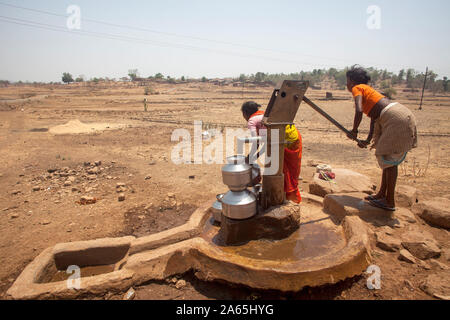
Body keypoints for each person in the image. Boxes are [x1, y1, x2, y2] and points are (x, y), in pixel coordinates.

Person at [346, 65, 418, 211]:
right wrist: (367, 140)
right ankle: (381, 194)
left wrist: (354, 130)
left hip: (394, 118)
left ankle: (390, 201)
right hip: (398, 114)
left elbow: (359, 110)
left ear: (352, 81)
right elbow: (374, 119)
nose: (347, 84)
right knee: (386, 159)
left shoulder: (357, 88)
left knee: (389, 161)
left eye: (347, 81)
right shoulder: (370, 91)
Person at [241, 101, 303, 203]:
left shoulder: (252, 121)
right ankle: (287, 197)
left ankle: (291, 200)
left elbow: (255, 141)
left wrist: (249, 158)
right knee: (291, 172)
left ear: (245, 113)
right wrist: (253, 156)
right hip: (294, 138)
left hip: (284, 142)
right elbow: (266, 143)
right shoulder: (264, 114)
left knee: (284, 172)